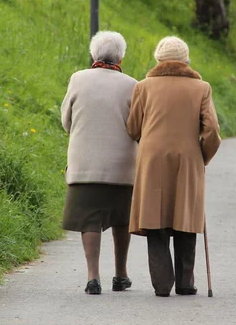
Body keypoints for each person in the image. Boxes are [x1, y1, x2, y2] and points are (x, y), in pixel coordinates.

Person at [126, 36, 222, 297]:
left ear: (158, 60)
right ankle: (185, 283)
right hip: (188, 158)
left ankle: (161, 285)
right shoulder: (201, 88)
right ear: (186, 61)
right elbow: (212, 130)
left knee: (155, 219)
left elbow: (133, 127)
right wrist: (202, 156)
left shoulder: (143, 87)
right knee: (185, 217)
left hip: (152, 158)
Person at [61, 31, 137, 295]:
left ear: (94, 54)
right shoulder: (132, 85)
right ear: (121, 56)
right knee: (122, 219)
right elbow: (137, 126)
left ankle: (93, 278)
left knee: (89, 219)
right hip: (123, 165)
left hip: (84, 163)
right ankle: (121, 274)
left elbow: (66, 121)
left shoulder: (78, 79)